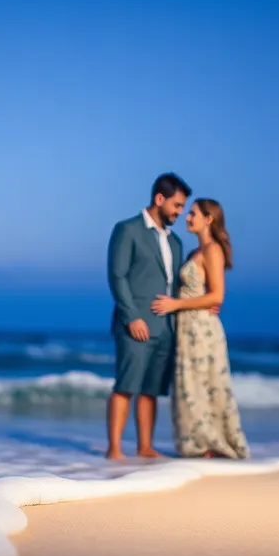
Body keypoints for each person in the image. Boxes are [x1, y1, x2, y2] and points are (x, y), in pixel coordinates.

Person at [151, 198, 250, 459]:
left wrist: (176, 304)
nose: (187, 217)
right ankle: (199, 444)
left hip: (202, 329)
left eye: (193, 213)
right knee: (190, 386)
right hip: (187, 329)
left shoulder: (212, 250)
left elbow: (217, 296)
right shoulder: (194, 252)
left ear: (209, 219)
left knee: (206, 384)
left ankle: (212, 445)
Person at [104, 173, 189, 460]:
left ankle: (145, 446)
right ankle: (114, 449)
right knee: (126, 385)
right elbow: (117, 276)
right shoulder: (127, 230)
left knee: (151, 390)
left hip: (166, 328)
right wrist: (131, 317)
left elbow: (177, 284)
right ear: (159, 199)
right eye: (177, 205)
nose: (180, 212)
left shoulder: (175, 242)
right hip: (135, 325)